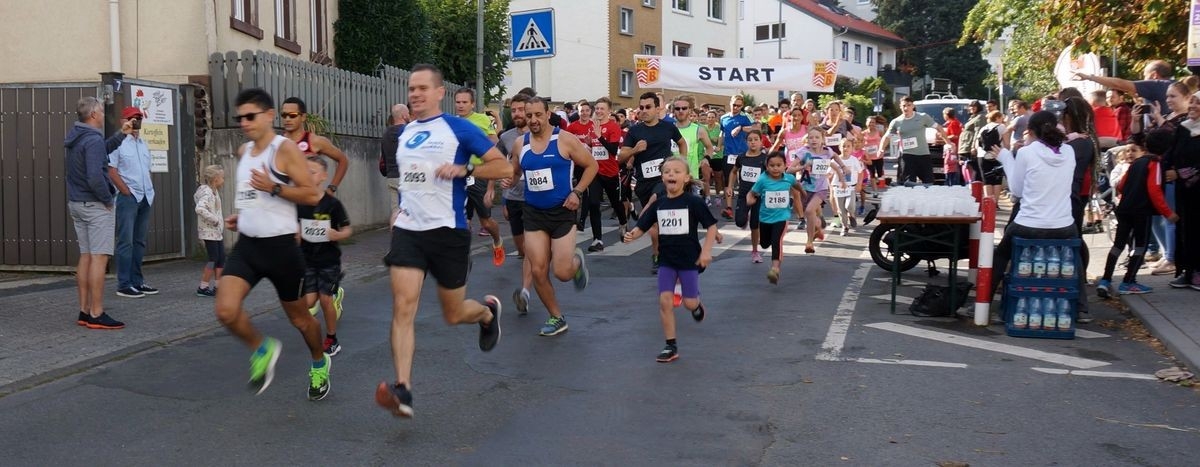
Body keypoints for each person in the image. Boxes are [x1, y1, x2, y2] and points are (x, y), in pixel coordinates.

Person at [375, 64, 511, 418]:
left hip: (448, 232)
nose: (415, 94)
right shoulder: (403, 134)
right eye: (411, 88)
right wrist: (399, 209)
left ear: (439, 93)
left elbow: (504, 167)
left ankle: (486, 313)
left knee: (453, 314)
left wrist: (467, 170)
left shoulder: (459, 129)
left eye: (422, 88)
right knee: (403, 307)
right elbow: (411, 179)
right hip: (408, 231)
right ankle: (402, 388)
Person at [214, 88, 328, 400]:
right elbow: (253, 196)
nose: (244, 123)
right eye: (240, 118)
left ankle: (319, 361)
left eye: (251, 116)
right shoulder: (242, 152)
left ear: (269, 116)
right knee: (225, 310)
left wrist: (274, 187)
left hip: (281, 250)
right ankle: (261, 348)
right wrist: (243, 216)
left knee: (301, 320)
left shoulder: (284, 150)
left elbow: (311, 194)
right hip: (248, 246)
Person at [511, 96, 597, 337]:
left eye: (538, 115)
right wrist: (510, 178)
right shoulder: (520, 144)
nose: (534, 120)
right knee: (538, 270)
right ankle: (556, 317)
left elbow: (592, 166)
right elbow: (515, 170)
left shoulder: (565, 140)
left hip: (562, 212)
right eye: (529, 116)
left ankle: (576, 263)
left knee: (561, 273)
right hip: (534, 213)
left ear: (548, 114)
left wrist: (577, 192)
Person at [990, 111, 1088, 312]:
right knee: (1074, 254)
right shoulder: (1068, 151)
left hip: (1028, 224)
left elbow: (1017, 191)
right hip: (1063, 225)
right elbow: (1060, 142)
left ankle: (984, 302)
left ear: (1030, 131)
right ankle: (1082, 307)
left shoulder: (1027, 152)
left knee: (1000, 255)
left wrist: (1006, 158)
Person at [622, 157, 717, 363]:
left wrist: (706, 251)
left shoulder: (693, 202)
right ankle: (670, 345)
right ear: (662, 177)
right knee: (664, 302)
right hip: (666, 260)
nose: (671, 175)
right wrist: (633, 235)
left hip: (689, 260)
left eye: (676, 171)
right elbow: (643, 226)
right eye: (667, 172)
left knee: (689, 304)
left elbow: (711, 226)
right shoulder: (660, 204)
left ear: (686, 178)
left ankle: (697, 304)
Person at [66, 97, 128, 329]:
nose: (103, 115)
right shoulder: (92, 139)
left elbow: (101, 152)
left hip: (77, 203)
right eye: (101, 111)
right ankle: (97, 312)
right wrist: (107, 200)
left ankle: (84, 311)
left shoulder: (77, 136)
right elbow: (94, 174)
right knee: (99, 258)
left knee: (86, 256)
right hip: (95, 205)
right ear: (93, 114)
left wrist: (122, 134)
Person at [1097, 130, 1178, 297]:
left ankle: (1105, 280)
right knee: (1140, 246)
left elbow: (1120, 185)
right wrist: (1168, 213)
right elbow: (1154, 190)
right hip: (1141, 211)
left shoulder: (1136, 163)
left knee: (1118, 245)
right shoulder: (1154, 164)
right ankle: (1128, 281)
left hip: (1124, 208)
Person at [620, 92, 686, 274]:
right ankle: (657, 255)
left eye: (648, 107)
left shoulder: (668, 127)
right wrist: (635, 150)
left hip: (664, 179)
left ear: (658, 108)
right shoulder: (634, 131)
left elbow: (682, 143)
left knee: (656, 201)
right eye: (641, 107)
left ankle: (647, 211)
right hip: (643, 183)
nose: (644, 111)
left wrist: (681, 164)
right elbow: (620, 156)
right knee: (656, 224)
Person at [298, 157, 353, 356]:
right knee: (308, 303)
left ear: (322, 177)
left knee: (325, 299)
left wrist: (337, 234)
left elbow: (347, 229)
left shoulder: (332, 204)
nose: (308, 176)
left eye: (312, 172)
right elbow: (294, 228)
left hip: (328, 260)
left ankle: (331, 338)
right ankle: (317, 331)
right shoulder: (299, 202)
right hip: (307, 260)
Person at [107, 106, 158, 298]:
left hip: (146, 196)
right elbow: (110, 169)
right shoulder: (118, 142)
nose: (136, 122)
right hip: (129, 198)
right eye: (132, 118)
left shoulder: (144, 144)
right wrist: (125, 191)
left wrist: (150, 188)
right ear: (123, 120)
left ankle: (138, 281)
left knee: (139, 242)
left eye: (138, 118)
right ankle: (124, 284)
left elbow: (147, 169)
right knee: (125, 241)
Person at [453, 89, 506, 264]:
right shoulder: (451, 123)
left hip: (479, 174)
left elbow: (495, 146)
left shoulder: (482, 120)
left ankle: (497, 241)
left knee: (486, 221)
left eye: (464, 102)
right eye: (458, 102)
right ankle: (463, 257)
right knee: (462, 219)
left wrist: (490, 187)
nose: (460, 105)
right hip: (459, 175)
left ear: (472, 104)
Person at [497, 94, 536, 313]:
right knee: (522, 249)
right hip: (513, 197)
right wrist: (498, 193)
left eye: (522, 110)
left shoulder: (540, 134)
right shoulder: (507, 137)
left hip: (535, 199)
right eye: (514, 111)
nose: (518, 114)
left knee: (531, 250)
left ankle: (525, 292)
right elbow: (501, 165)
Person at [747, 152, 805, 283]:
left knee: (776, 241)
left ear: (785, 166)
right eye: (772, 165)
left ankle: (775, 269)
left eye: (779, 165)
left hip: (782, 217)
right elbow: (752, 193)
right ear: (767, 167)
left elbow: (796, 184)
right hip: (765, 218)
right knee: (765, 243)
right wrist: (749, 200)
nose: (775, 168)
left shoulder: (788, 178)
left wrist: (803, 192)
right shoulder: (762, 180)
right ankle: (765, 244)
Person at [1164, 90, 1200, 290]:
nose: (1193, 106)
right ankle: (1186, 271)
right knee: (1184, 229)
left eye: (1198, 103)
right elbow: (1172, 151)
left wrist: (1181, 173)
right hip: (1183, 192)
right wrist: (1168, 167)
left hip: (1197, 190)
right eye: (1192, 102)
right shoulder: (1183, 128)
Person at [280, 97, 350, 196]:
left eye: (292, 115)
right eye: (284, 115)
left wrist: (331, 189)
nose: (287, 119)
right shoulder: (277, 142)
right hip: (286, 200)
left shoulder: (315, 141)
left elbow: (343, 160)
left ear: (303, 117)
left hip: (309, 201)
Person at [792, 128, 846, 254]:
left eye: (817, 137)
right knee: (809, 214)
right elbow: (789, 169)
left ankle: (809, 242)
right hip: (805, 188)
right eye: (811, 137)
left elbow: (835, 158)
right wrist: (803, 166)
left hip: (821, 188)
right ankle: (817, 229)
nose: (814, 140)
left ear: (822, 139)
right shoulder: (803, 152)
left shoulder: (827, 152)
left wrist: (843, 169)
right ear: (807, 140)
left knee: (810, 210)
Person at [878, 96, 948, 184]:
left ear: (913, 106)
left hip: (923, 154)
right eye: (904, 106)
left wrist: (948, 142)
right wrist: (881, 148)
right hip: (906, 155)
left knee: (929, 183)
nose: (906, 108)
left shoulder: (923, 117)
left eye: (908, 105)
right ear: (900, 106)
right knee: (908, 183)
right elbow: (887, 137)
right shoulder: (896, 121)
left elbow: (939, 128)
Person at [1076, 59, 1175, 114]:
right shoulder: (1175, 85)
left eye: (1145, 75)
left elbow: (1119, 84)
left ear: (1154, 75)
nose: (1144, 79)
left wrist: (1089, 77)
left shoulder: (1156, 85)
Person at [728, 129, 766, 263]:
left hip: (758, 196)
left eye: (756, 139)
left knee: (755, 224)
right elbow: (733, 172)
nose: (753, 142)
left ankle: (755, 251)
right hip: (744, 195)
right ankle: (745, 217)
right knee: (739, 222)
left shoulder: (764, 159)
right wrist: (730, 186)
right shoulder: (741, 157)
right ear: (746, 142)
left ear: (761, 141)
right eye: (750, 140)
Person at [670, 95, 716, 192]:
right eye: (677, 108)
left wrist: (706, 159)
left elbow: (709, 148)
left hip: (691, 178)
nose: (681, 111)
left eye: (684, 108)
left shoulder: (698, 130)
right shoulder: (668, 129)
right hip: (671, 178)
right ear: (673, 111)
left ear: (690, 110)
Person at [719, 95, 754, 219]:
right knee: (729, 181)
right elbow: (722, 132)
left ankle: (746, 207)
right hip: (728, 154)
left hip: (743, 154)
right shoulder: (723, 117)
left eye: (739, 105)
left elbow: (756, 127)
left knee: (744, 181)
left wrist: (741, 128)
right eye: (734, 105)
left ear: (742, 106)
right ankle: (729, 208)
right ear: (730, 103)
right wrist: (719, 146)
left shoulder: (745, 117)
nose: (736, 107)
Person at [194, 165, 225, 297]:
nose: (224, 180)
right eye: (222, 177)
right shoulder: (207, 192)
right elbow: (200, 208)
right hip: (209, 231)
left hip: (216, 232)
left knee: (221, 258)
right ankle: (203, 286)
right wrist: (215, 220)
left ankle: (219, 287)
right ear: (215, 179)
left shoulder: (214, 191)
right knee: (214, 258)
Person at [381, 103, 410, 215]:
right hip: (407, 177)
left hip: (391, 176)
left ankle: (394, 230)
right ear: (403, 115)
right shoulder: (408, 131)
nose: (409, 115)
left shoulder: (385, 134)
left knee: (395, 211)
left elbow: (383, 156)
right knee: (408, 212)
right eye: (407, 113)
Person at [834, 139, 865, 234]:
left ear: (852, 148)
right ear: (839, 148)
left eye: (848, 146)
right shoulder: (835, 160)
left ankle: (851, 215)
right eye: (843, 146)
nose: (845, 148)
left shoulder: (854, 160)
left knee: (849, 206)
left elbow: (860, 173)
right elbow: (829, 173)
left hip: (850, 187)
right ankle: (845, 227)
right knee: (841, 209)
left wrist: (859, 184)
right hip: (838, 187)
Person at [976, 110, 1009, 199]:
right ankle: (995, 203)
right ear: (997, 117)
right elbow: (1007, 144)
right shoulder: (1001, 127)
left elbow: (977, 145)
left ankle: (988, 202)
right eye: (1001, 117)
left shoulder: (983, 128)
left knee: (987, 180)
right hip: (997, 154)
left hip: (982, 155)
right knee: (997, 180)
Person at [959, 101, 987, 185]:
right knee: (966, 170)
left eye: (974, 106)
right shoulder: (972, 117)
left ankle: (976, 190)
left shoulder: (980, 117)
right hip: (965, 146)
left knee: (974, 170)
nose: (972, 108)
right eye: (970, 106)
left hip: (970, 147)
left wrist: (974, 146)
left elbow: (978, 132)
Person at [701, 110, 725, 202]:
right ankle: (705, 196)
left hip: (717, 155)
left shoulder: (719, 128)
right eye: (709, 117)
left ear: (716, 118)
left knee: (718, 176)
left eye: (712, 117)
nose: (710, 119)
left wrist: (718, 145)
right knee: (705, 177)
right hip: (706, 154)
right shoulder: (703, 127)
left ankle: (718, 195)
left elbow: (721, 139)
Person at [942, 108, 963, 186]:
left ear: (947, 115)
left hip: (954, 149)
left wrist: (944, 136)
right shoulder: (952, 122)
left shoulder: (953, 123)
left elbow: (955, 136)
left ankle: (954, 184)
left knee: (953, 168)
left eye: (944, 114)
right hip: (952, 148)